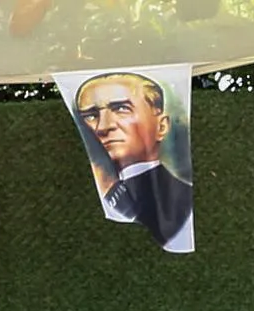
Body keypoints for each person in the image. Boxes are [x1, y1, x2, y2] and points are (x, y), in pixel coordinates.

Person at [75, 72, 194, 252]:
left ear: (161, 126)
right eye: (91, 115)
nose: (103, 127)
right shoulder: (102, 191)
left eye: (121, 108)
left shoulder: (181, 201)